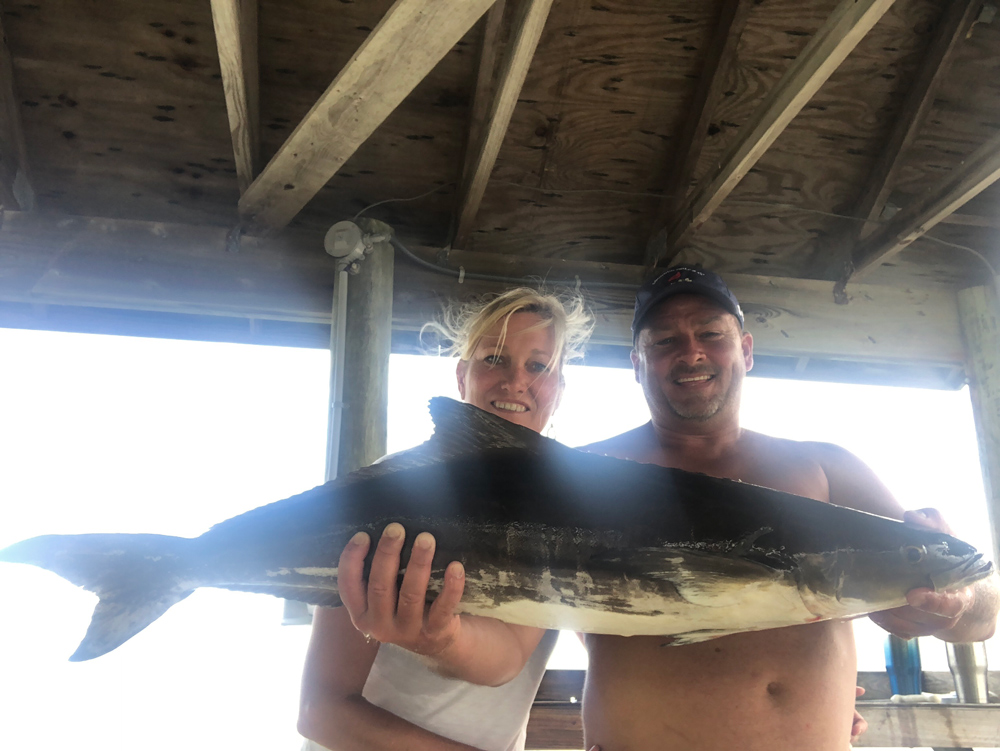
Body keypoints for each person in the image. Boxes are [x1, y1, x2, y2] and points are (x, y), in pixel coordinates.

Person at [339, 266, 1000, 751]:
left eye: (709, 332)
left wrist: (954, 607)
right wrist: (440, 637)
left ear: (744, 347)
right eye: (663, 341)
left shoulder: (827, 464)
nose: (690, 353)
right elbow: (509, 645)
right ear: (636, 363)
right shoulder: (576, 476)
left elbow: (979, 607)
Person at [297, 287, 594, 751]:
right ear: (463, 375)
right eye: (494, 358)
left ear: (559, 389)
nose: (515, 380)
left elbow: (533, 650)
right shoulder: (390, 493)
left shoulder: (572, 509)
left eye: (538, 365)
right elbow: (321, 711)